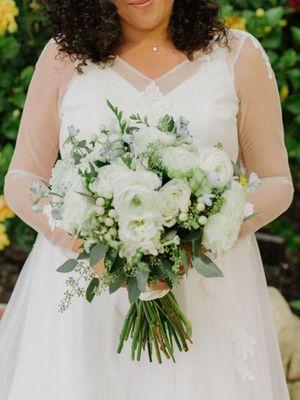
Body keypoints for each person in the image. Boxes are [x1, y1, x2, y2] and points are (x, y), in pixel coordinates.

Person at [0, 0, 294, 399]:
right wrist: (87, 245)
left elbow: (275, 180)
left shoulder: (238, 57)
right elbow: (22, 179)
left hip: (209, 301)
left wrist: (199, 238)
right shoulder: (63, 57)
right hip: (87, 303)